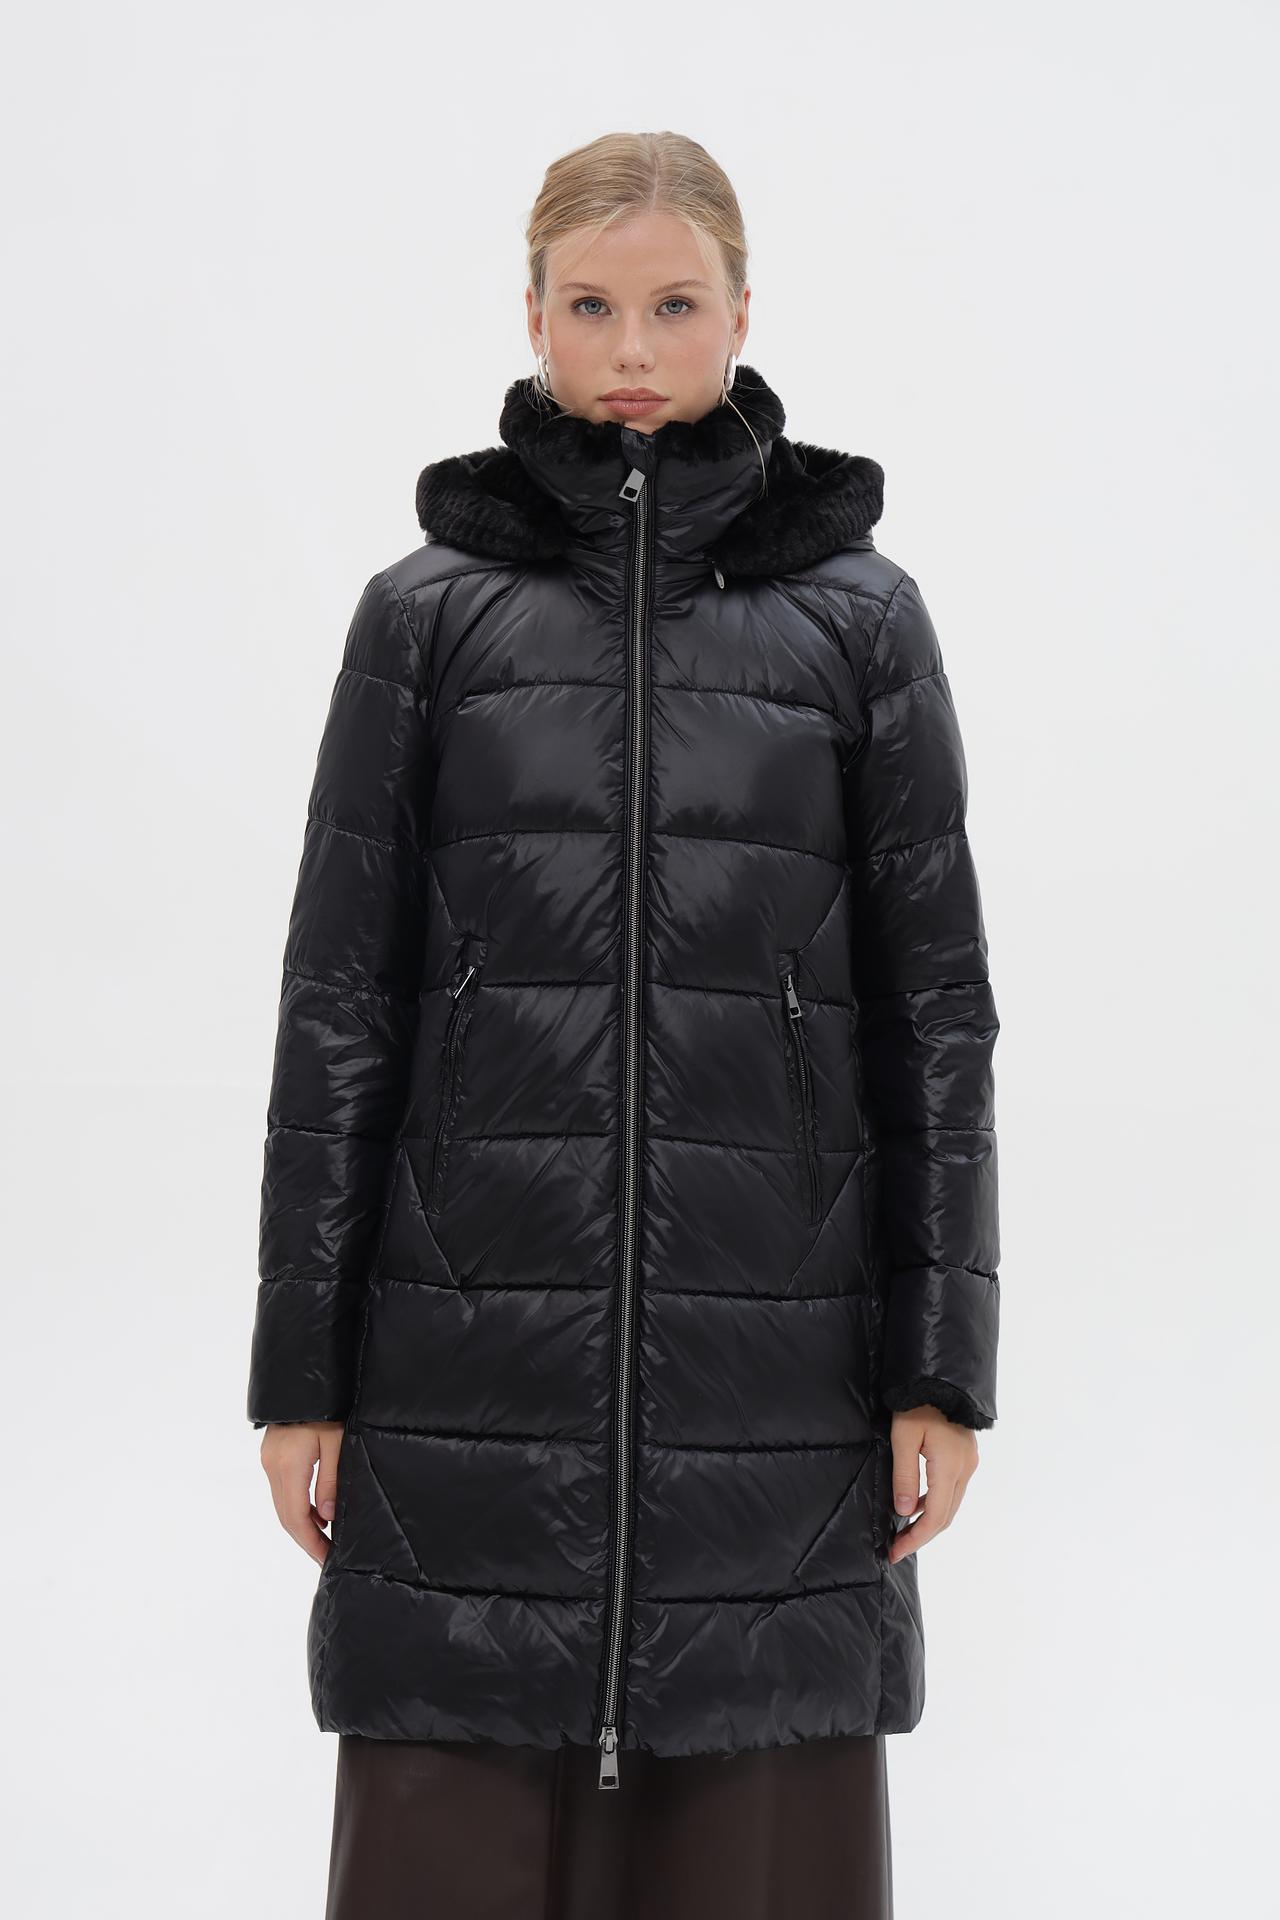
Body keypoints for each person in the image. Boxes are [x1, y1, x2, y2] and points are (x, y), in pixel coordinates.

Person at [247, 129, 1001, 1920]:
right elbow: (338, 1008)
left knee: (756, 1820)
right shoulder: (425, 620)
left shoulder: (859, 623)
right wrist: (303, 1378)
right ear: (532, 319)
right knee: (448, 1804)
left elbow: (936, 1016)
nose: (635, 350)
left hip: (782, 1354)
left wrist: (941, 1365)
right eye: (592, 308)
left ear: (743, 312)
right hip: (465, 1346)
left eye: (674, 305)